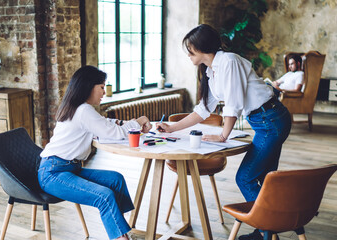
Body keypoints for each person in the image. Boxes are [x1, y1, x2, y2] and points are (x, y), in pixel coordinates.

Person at [156, 24, 291, 240]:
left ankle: (273, 224)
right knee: (266, 180)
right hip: (265, 119)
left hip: (270, 119)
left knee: (245, 177)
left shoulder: (228, 61)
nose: (188, 53)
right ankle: (265, 230)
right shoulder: (211, 71)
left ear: (202, 47)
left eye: (190, 48)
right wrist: (171, 127)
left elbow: (234, 103)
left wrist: (222, 136)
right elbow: (202, 110)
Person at [38, 66, 152, 240]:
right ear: (88, 86)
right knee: (104, 196)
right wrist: (138, 122)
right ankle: (122, 237)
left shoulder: (77, 107)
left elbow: (104, 123)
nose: (104, 92)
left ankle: (121, 231)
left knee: (115, 179)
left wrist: (125, 122)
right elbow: (114, 133)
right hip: (53, 173)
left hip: (68, 168)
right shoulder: (83, 110)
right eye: (101, 86)